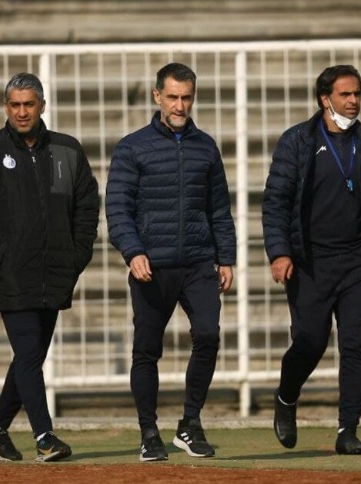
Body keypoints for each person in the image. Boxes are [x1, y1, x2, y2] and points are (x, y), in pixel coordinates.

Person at [0, 72, 99, 462]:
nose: (22, 112)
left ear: (42, 106)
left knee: (28, 358)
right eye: (15, 105)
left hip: (56, 274)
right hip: (11, 276)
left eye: (29, 104)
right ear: (6, 107)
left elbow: (87, 207)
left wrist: (76, 256)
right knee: (30, 355)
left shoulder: (68, 151)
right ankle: (45, 437)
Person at [106, 62, 236, 462]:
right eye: (173, 97)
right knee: (147, 350)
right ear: (157, 96)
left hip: (199, 263)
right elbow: (118, 208)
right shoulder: (132, 147)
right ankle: (149, 432)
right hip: (152, 266)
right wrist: (133, 251)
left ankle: (189, 424)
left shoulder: (206, 147)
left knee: (208, 336)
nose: (180, 106)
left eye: (187, 98)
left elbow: (219, 209)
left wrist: (226, 257)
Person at [262, 65, 361, 455]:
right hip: (311, 263)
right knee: (310, 341)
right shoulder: (297, 141)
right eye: (345, 95)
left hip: (359, 262)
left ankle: (347, 430)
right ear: (325, 99)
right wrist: (280, 252)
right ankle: (286, 397)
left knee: (355, 345)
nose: (353, 101)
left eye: (357, 94)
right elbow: (275, 202)